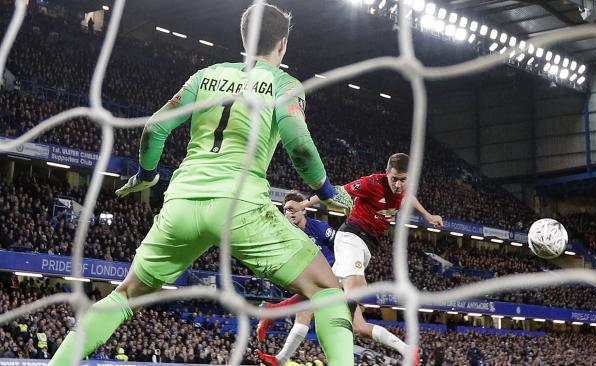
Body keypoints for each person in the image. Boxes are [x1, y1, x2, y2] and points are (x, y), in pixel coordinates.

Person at [47, 4, 355, 365]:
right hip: (239, 207)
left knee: (125, 294)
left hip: (181, 203)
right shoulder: (283, 84)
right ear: (283, 44)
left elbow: (154, 129)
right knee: (327, 291)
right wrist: (328, 193)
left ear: (243, 38)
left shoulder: (205, 76)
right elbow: (300, 146)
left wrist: (147, 175)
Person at [258, 153, 443, 365]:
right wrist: (306, 203)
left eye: (403, 179)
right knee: (357, 285)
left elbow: (407, 197)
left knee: (332, 298)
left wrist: (428, 216)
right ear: (386, 174)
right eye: (394, 179)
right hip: (351, 237)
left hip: (368, 246)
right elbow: (337, 191)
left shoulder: (404, 187)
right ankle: (336, 331)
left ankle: (276, 327)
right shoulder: (372, 183)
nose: (398, 184)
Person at [256, 191, 336, 366]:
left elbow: (341, 245)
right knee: (304, 314)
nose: (289, 213)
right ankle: (281, 358)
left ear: (303, 211)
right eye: (286, 210)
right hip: (314, 281)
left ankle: (274, 312)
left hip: (335, 275)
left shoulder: (319, 228)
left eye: (293, 209)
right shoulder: (286, 235)